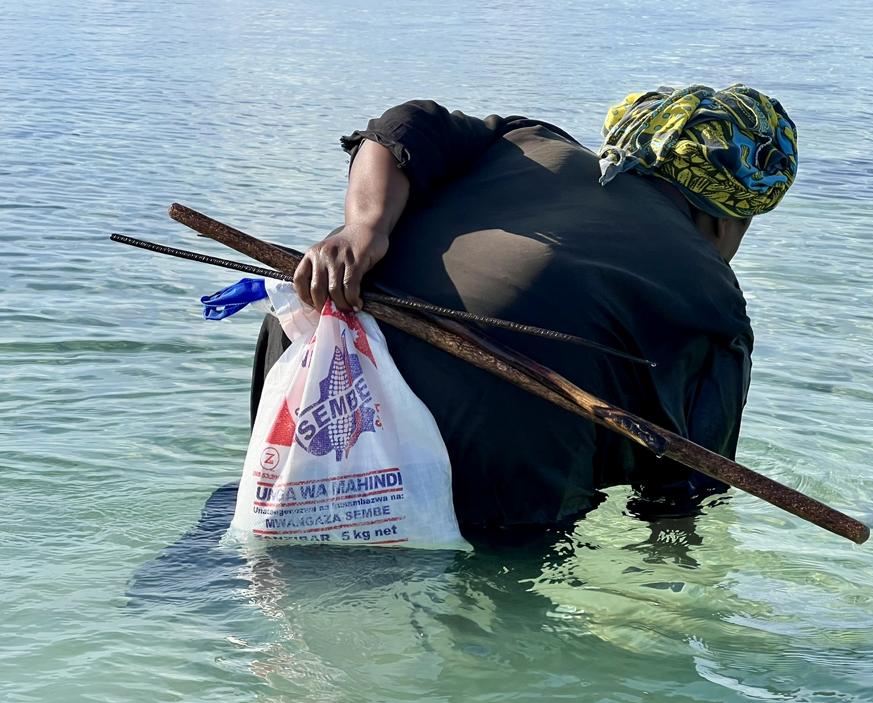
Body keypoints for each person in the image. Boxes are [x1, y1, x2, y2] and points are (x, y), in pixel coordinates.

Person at [250, 85, 798, 532]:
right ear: (728, 219)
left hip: (318, 333)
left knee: (275, 528)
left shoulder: (522, 141)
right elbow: (685, 485)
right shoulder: (716, 298)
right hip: (495, 432)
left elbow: (400, 125)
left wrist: (362, 227)